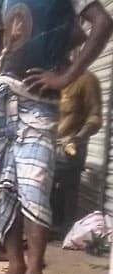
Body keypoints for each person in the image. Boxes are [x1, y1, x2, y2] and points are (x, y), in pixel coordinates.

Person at [0, 0, 112, 274]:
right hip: (2, 102)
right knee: (0, 188)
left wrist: (66, 76)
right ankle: (15, 267)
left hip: (38, 103)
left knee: (33, 186)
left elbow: (102, 23)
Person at [51, 68, 102, 236]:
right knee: (49, 187)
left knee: (68, 187)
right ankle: (53, 226)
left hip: (71, 146)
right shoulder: (48, 79)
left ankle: (65, 230)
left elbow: (94, 116)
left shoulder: (86, 80)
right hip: (48, 145)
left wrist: (78, 138)